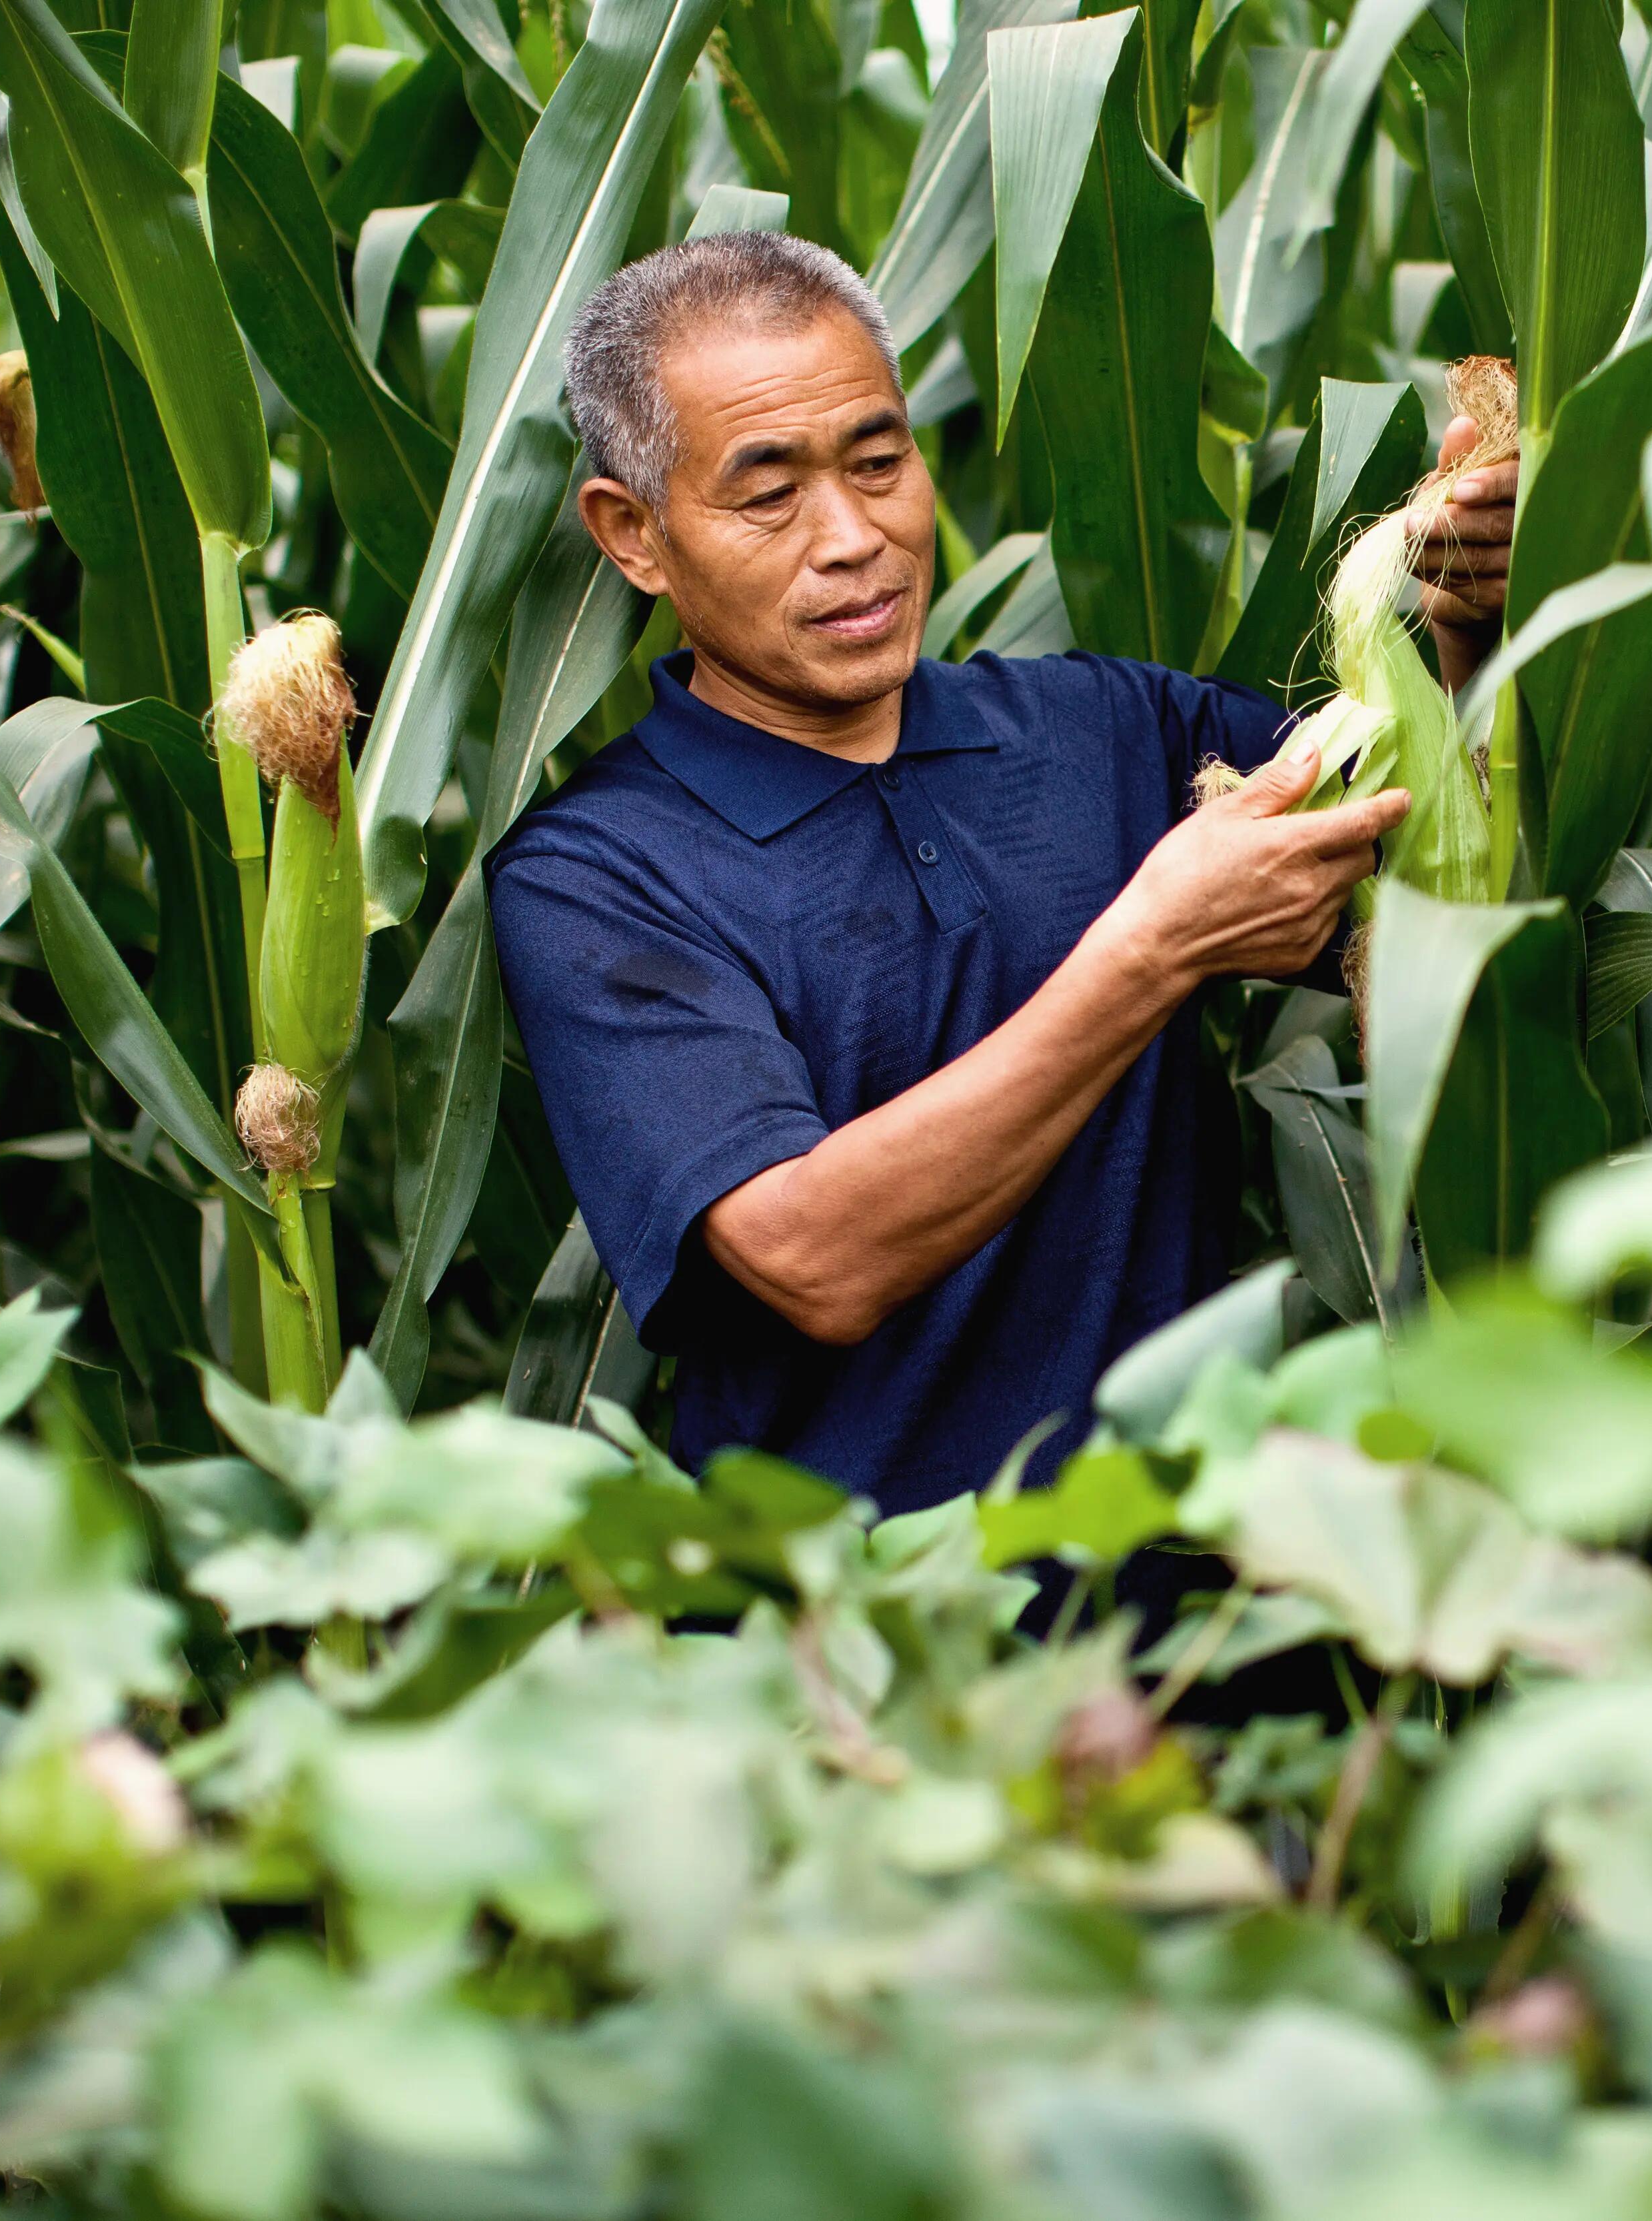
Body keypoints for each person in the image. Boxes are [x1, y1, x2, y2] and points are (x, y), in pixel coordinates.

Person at [488, 232, 1517, 1513]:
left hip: (1200, 1656)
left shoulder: (1112, 732)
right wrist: (1152, 950)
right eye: (769, 496)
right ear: (632, 533)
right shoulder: (596, 876)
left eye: (880, 463)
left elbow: (1454, 864)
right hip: (862, 1662)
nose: (853, 537)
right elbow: (813, 1254)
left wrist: (1468, 619)